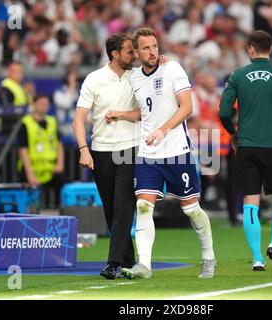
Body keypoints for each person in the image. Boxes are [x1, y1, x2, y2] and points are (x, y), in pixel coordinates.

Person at [113, 27, 216, 280]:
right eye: (146, 48)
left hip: (177, 151)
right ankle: (145, 265)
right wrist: (121, 115)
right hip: (148, 154)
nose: (152, 52)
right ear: (136, 52)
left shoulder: (172, 68)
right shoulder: (135, 77)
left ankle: (208, 257)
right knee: (143, 205)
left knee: (191, 209)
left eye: (155, 46)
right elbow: (144, 113)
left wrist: (163, 130)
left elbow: (187, 107)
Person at [219, 30, 272, 272]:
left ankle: (256, 259)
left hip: (247, 146)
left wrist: (233, 133)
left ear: (250, 49)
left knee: (250, 201)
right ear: (271, 49)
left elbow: (223, 112)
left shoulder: (237, 76)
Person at [72, 33, 140, 280]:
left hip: (131, 149)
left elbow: (145, 113)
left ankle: (113, 264)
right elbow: (79, 118)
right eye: (130, 51)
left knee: (123, 207)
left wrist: (121, 114)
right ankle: (130, 262)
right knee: (111, 211)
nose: (135, 55)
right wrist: (83, 148)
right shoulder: (94, 79)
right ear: (115, 54)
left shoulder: (139, 77)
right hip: (101, 151)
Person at [17, 94, 65, 207]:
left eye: (47, 104)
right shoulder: (25, 123)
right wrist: (30, 174)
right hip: (32, 169)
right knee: (32, 202)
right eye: (41, 103)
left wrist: (60, 164)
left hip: (50, 169)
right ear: (34, 104)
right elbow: (23, 150)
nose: (44, 106)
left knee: (63, 186)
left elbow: (59, 144)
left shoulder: (52, 121)